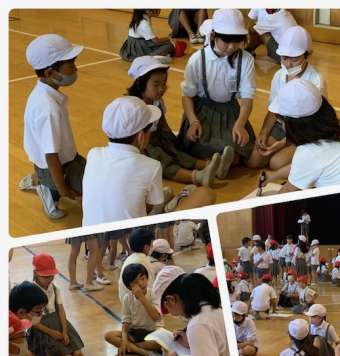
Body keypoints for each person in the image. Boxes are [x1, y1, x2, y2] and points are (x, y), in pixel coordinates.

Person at [82, 96, 215, 226]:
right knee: (205, 193)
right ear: (141, 137)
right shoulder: (152, 166)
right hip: (137, 237)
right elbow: (152, 205)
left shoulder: (93, 154)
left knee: (160, 193)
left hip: (92, 236)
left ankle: (172, 204)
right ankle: (171, 218)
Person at [132, 269, 237, 356]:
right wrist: (189, 342)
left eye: (166, 307)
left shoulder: (198, 324)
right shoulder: (214, 310)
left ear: (172, 299)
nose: (169, 312)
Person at [179, 9, 265, 173]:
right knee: (199, 143)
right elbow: (187, 96)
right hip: (201, 111)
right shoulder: (197, 59)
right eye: (226, 41)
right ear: (213, 36)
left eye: (237, 41)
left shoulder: (245, 59)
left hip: (230, 111)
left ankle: (219, 163)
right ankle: (214, 164)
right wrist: (193, 121)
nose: (232, 47)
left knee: (239, 148)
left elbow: (247, 98)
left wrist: (240, 124)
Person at [262, 79, 340, 192]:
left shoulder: (309, 152)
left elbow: (287, 193)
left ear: (293, 124)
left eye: (280, 119)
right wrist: (274, 175)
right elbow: (307, 167)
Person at [127, 56, 229, 186]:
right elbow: (134, 139)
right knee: (163, 160)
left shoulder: (157, 101)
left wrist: (173, 142)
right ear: (140, 84)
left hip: (157, 138)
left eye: (164, 84)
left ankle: (212, 166)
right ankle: (197, 177)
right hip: (142, 144)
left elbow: (163, 125)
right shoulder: (134, 107)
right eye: (156, 85)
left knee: (177, 151)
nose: (161, 88)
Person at [21, 34, 85, 219]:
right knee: (88, 193)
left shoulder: (45, 91)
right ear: (50, 73)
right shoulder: (48, 109)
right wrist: (65, 191)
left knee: (92, 181)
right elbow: (51, 156)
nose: (75, 69)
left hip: (66, 157)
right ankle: (47, 189)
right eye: (70, 65)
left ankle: (39, 178)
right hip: (55, 165)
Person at [256, 26, 326, 180]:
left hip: (305, 132)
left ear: (308, 55)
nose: (287, 64)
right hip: (283, 126)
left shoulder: (316, 81)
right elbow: (273, 109)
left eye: (294, 59)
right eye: (284, 58)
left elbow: (311, 124)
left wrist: (283, 143)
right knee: (255, 159)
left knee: (276, 163)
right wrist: (264, 132)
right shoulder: (279, 76)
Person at [28, 254, 84, 356]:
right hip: (42, 328)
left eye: (51, 276)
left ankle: (62, 348)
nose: (49, 279)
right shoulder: (31, 292)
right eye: (45, 277)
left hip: (58, 323)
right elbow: (32, 321)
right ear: (35, 273)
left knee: (77, 355)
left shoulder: (55, 288)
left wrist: (65, 331)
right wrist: (51, 332)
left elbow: (61, 310)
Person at [105, 264, 162, 356]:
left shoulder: (153, 294)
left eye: (143, 279)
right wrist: (124, 340)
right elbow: (126, 323)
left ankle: (132, 347)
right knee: (108, 336)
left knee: (160, 343)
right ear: (129, 287)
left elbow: (156, 317)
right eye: (135, 282)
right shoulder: (127, 298)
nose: (140, 283)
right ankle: (141, 351)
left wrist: (141, 297)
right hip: (134, 333)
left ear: (147, 279)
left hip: (152, 331)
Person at [119, 228, 155, 302]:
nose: (152, 247)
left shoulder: (130, 258)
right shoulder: (144, 261)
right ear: (146, 247)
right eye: (151, 244)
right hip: (137, 302)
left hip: (125, 300)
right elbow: (150, 290)